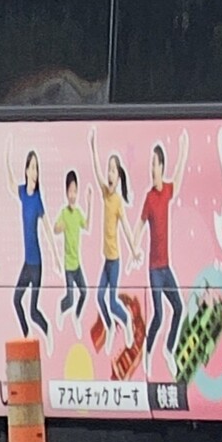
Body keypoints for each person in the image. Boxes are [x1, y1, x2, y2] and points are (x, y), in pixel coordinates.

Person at [141, 131, 188, 369]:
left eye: (154, 164)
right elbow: (140, 227)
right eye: (151, 164)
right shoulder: (149, 198)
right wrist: (134, 252)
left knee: (179, 308)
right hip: (154, 269)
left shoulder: (166, 191)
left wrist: (183, 151)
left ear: (161, 166)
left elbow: (177, 179)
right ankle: (147, 354)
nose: (152, 168)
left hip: (166, 267)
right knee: (158, 315)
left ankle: (169, 349)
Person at [88, 130, 137, 348]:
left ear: (119, 177)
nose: (109, 174)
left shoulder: (117, 200)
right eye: (109, 170)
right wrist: (92, 146)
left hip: (115, 260)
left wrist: (134, 250)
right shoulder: (105, 194)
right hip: (106, 260)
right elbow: (96, 171)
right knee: (99, 297)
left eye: (113, 171)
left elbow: (125, 227)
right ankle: (109, 326)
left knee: (111, 300)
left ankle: (126, 323)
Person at [6, 142, 49, 338]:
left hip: (37, 264)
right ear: (26, 170)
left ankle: (47, 332)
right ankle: (25, 336)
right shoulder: (23, 193)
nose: (34, 172)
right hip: (26, 263)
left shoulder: (37, 199)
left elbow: (47, 229)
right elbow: (10, 183)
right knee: (16, 300)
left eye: (36, 168)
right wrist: (7, 156)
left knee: (33, 311)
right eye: (32, 167)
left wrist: (56, 258)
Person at [53, 170, 91, 335]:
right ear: (66, 193)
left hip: (77, 264)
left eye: (75, 191)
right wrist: (60, 227)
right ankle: (61, 310)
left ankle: (76, 317)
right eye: (70, 191)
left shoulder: (78, 213)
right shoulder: (64, 212)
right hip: (68, 266)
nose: (72, 195)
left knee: (84, 291)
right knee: (70, 298)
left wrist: (89, 204)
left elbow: (87, 226)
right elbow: (55, 229)